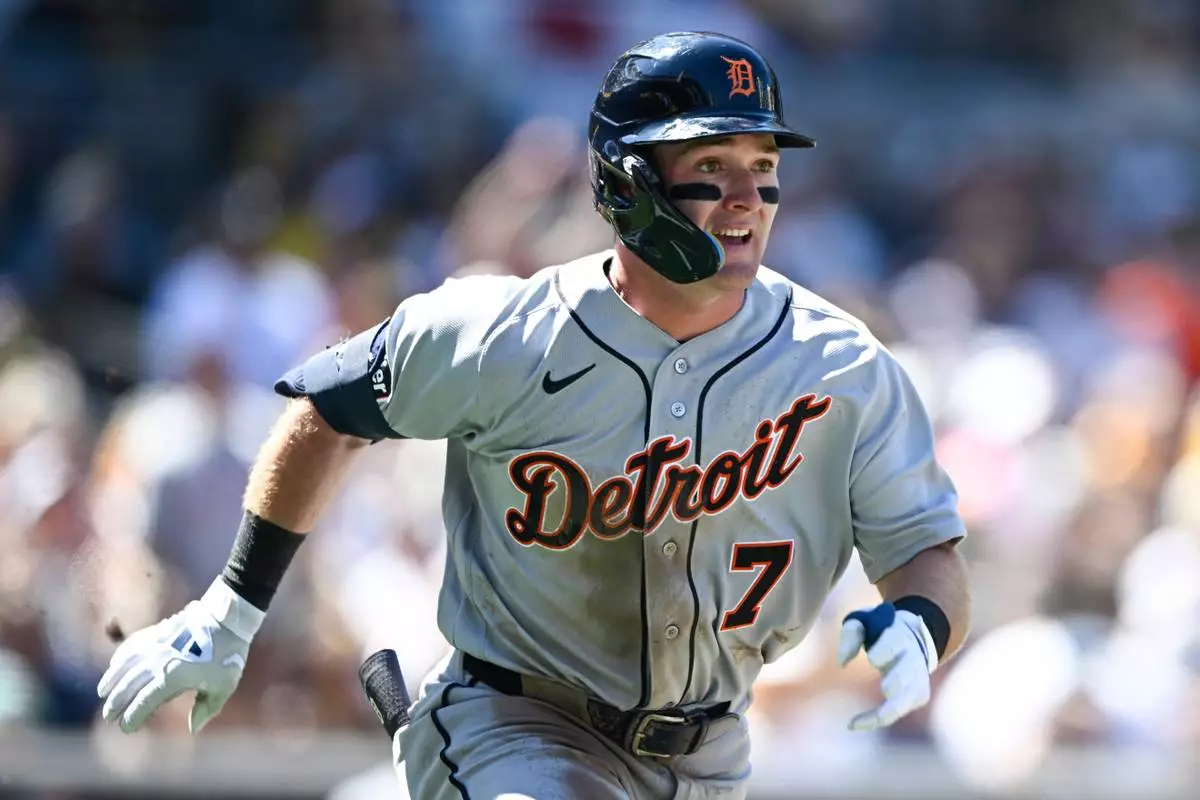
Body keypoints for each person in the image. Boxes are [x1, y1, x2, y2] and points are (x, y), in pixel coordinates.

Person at [97, 32, 971, 799]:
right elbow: (328, 412)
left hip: (713, 754)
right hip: (512, 723)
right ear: (630, 181)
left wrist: (921, 628)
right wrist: (231, 612)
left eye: (764, 170)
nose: (747, 199)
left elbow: (925, 552)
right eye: (711, 169)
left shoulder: (842, 364)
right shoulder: (500, 332)